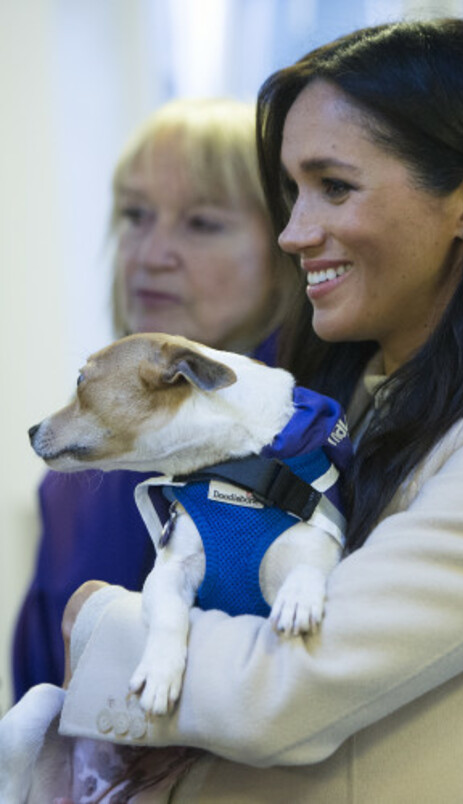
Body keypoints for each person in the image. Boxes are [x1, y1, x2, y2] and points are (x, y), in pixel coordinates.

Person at [21, 18, 463, 802]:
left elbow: (288, 688)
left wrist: (99, 624)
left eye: (334, 187)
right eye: (290, 193)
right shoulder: (336, 408)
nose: (294, 232)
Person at [11, 97, 297, 701]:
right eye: (135, 215)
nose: (149, 254)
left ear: (287, 245)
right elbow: (42, 699)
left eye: (201, 223)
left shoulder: (314, 435)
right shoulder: (73, 476)